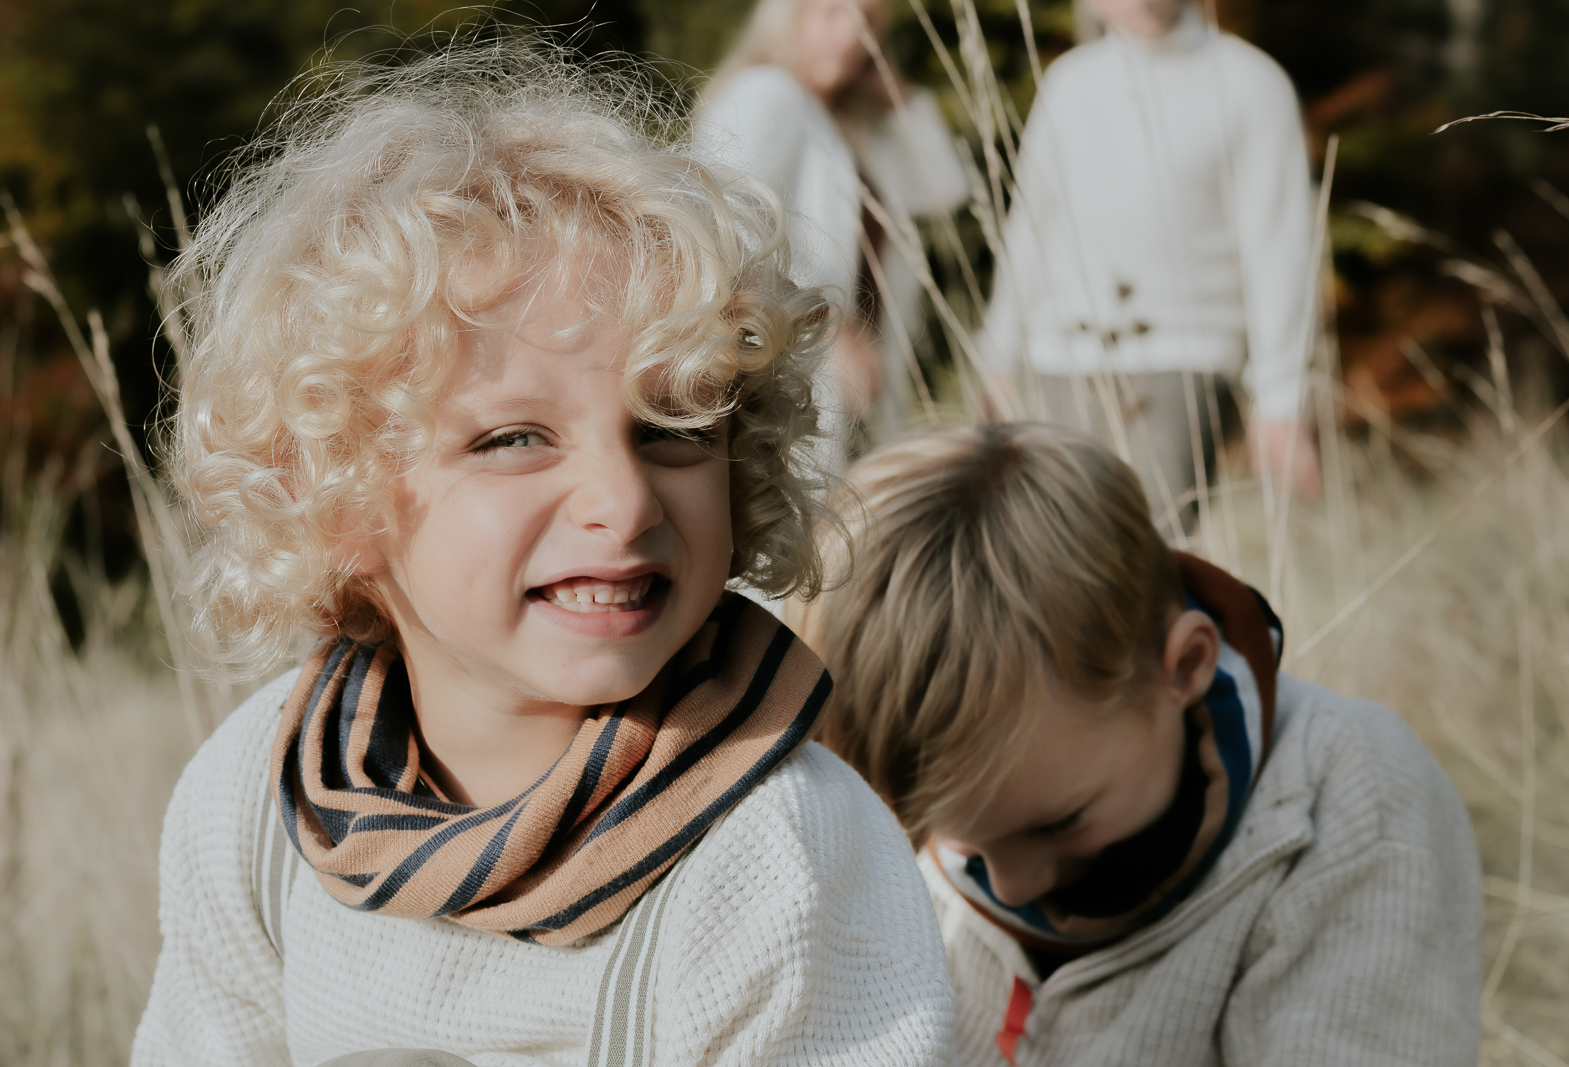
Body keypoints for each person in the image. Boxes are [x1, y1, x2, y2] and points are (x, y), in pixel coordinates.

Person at [131, 41, 955, 1067]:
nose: (622, 497)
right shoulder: (258, 807)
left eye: (673, 425)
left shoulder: (776, 853)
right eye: (512, 439)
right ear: (330, 488)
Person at [796, 422, 1482, 1067]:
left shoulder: (1349, 802)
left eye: (1060, 821)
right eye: (962, 845)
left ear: (1183, 667)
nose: (1012, 884)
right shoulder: (883, 828)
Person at [982, 0, 1322, 526]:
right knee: (1047, 556)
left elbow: (1279, 251)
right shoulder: (1069, 83)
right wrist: (997, 353)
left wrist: (1280, 398)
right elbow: (1031, 227)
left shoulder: (1252, 85)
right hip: (1058, 363)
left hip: (1180, 365)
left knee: (1151, 555)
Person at [695, 0, 968, 456]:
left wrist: (898, 95)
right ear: (788, 17)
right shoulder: (765, 93)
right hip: (795, 374)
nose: (850, 34)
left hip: (861, 382)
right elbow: (724, 234)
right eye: (832, 13)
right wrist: (834, 333)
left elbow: (946, 190)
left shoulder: (855, 122)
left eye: (868, 20)